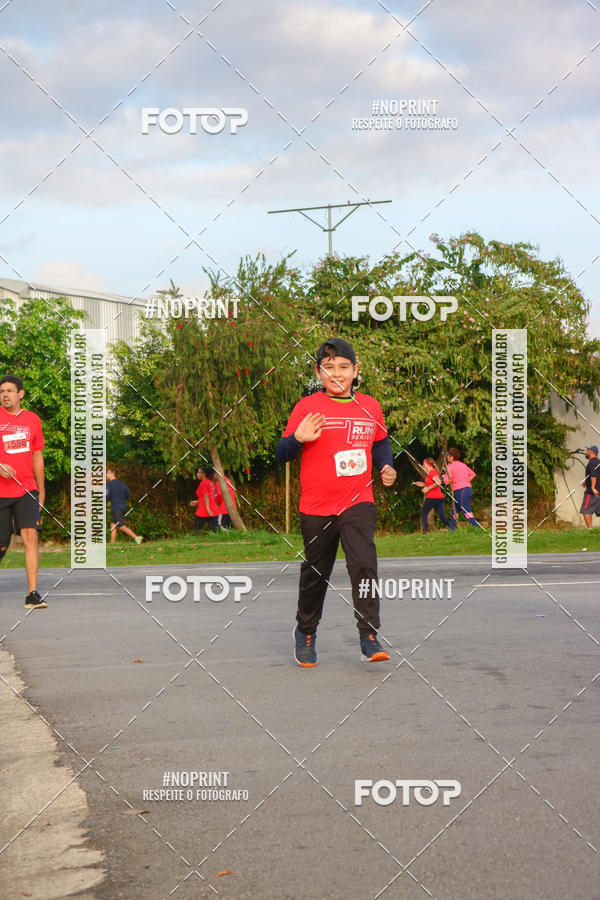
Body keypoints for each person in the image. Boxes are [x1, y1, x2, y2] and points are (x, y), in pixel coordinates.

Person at [276, 337, 397, 667]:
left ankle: (369, 635)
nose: (337, 374)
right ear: (318, 372)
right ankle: (306, 631)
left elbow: (381, 442)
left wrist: (386, 466)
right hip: (316, 507)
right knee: (316, 572)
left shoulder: (370, 407)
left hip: (358, 501)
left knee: (363, 564)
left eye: (344, 367)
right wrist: (297, 439)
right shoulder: (307, 407)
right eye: (329, 368)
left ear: (356, 371)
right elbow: (281, 453)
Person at [0, 375, 47, 609]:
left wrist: (41, 490)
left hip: (26, 489)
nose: (5, 395)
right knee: (2, 542)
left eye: (9, 390)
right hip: (0, 492)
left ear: (21, 394)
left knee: (31, 537)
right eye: (1, 391)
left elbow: (37, 456)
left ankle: (32, 594)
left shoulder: (32, 420)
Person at [415, 458, 455, 533]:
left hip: (432, 497)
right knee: (441, 515)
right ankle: (453, 529)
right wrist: (423, 485)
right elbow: (432, 483)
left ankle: (424, 534)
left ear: (428, 465)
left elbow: (438, 482)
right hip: (439, 497)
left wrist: (428, 488)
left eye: (424, 464)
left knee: (424, 513)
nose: (423, 466)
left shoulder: (432, 472)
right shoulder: (431, 473)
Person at [442, 447, 478, 528]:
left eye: (448, 456)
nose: (447, 457)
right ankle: (453, 530)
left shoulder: (450, 467)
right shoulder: (463, 465)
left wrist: (444, 476)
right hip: (467, 489)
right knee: (454, 512)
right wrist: (466, 481)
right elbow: (473, 474)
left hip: (460, 491)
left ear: (451, 457)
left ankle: (477, 528)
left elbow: (446, 481)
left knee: (466, 511)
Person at [106, 468, 143, 544]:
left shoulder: (109, 484)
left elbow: (106, 495)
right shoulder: (122, 484)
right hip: (123, 506)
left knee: (122, 527)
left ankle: (137, 538)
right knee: (113, 525)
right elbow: (128, 493)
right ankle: (112, 543)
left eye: (107, 473)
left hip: (116, 508)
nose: (106, 475)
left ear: (112, 474)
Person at [190, 467, 218, 533]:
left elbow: (206, 496)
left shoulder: (203, 483)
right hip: (213, 509)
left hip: (203, 510)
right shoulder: (210, 482)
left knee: (197, 530)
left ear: (204, 474)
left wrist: (208, 509)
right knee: (215, 531)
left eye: (199, 472)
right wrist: (197, 501)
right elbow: (210, 496)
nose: (197, 474)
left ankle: (196, 542)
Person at [579, 445, 600, 528]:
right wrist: (586, 481)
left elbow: (593, 475)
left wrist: (592, 487)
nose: (586, 452)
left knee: (586, 510)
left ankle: (590, 530)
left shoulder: (592, 463)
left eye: (587, 450)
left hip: (592, 493)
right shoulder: (598, 462)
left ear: (591, 451)